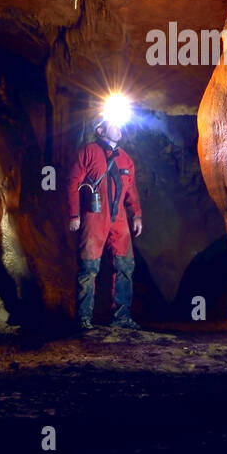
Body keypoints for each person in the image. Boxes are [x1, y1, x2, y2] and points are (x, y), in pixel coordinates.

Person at [66, 116, 143, 330]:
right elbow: (72, 182)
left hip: (118, 218)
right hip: (94, 215)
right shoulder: (88, 151)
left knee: (125, 265)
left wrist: (136, 215)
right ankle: (83, 319)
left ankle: (122, 317)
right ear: (100, 130)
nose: (119, 128)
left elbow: (131, 190)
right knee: (89, 266)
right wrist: (74, 215)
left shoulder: (126, 159)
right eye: (114, 124)